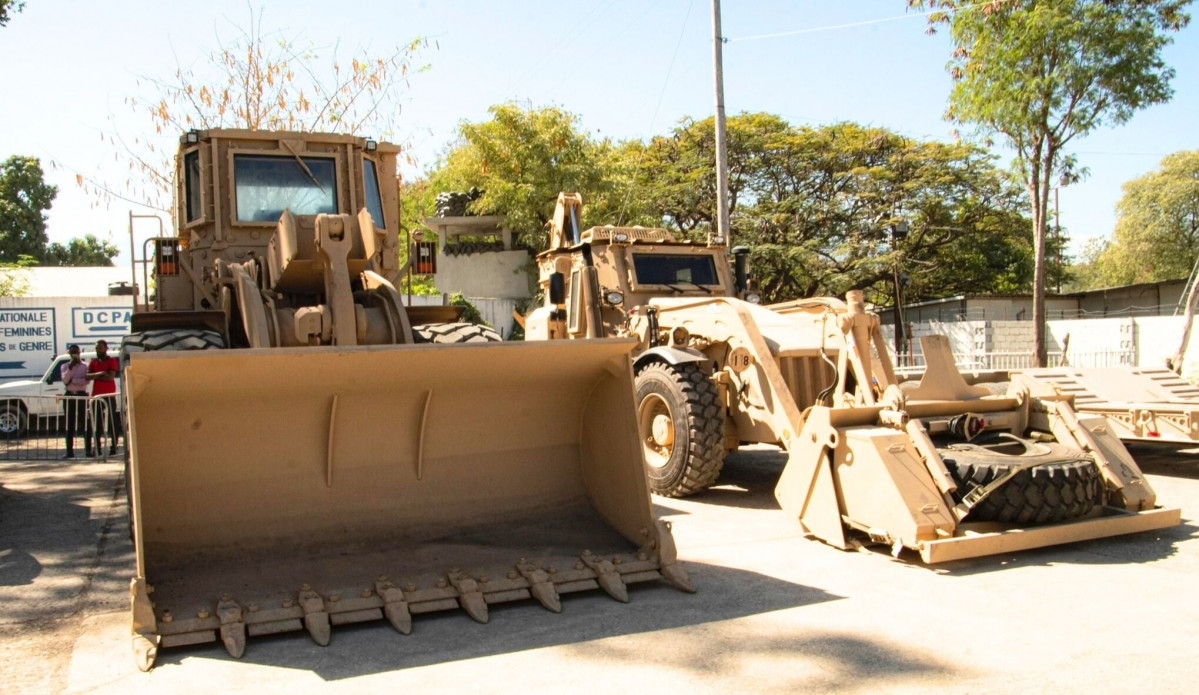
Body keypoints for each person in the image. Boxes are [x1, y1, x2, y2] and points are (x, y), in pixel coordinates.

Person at [86, 339, 121, 456]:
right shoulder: (93, 362)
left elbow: (110, 377)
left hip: (109, 395)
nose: (98, 350)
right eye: (96, 348)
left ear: (106, 348)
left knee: (112, 422)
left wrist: (96, 375)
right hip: (96, 396)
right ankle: (97, 447)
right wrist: (101, 373)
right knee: (97, 423)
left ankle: (114, 447)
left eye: (100, 348)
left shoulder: (112, 361)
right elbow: (87, 376)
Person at [60, 344, 89, 459]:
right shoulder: (65, 366)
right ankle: (69, 452)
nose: (74, 354)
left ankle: (88, 450)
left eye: (76, 352)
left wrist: (74, 381)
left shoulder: (86, 366)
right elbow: (65, 381)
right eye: (72, 352)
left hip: (81, 395)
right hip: (69, 396)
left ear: (79, 352)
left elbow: (86, 381)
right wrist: (71, 368)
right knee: (69, 424)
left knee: (85, 423)